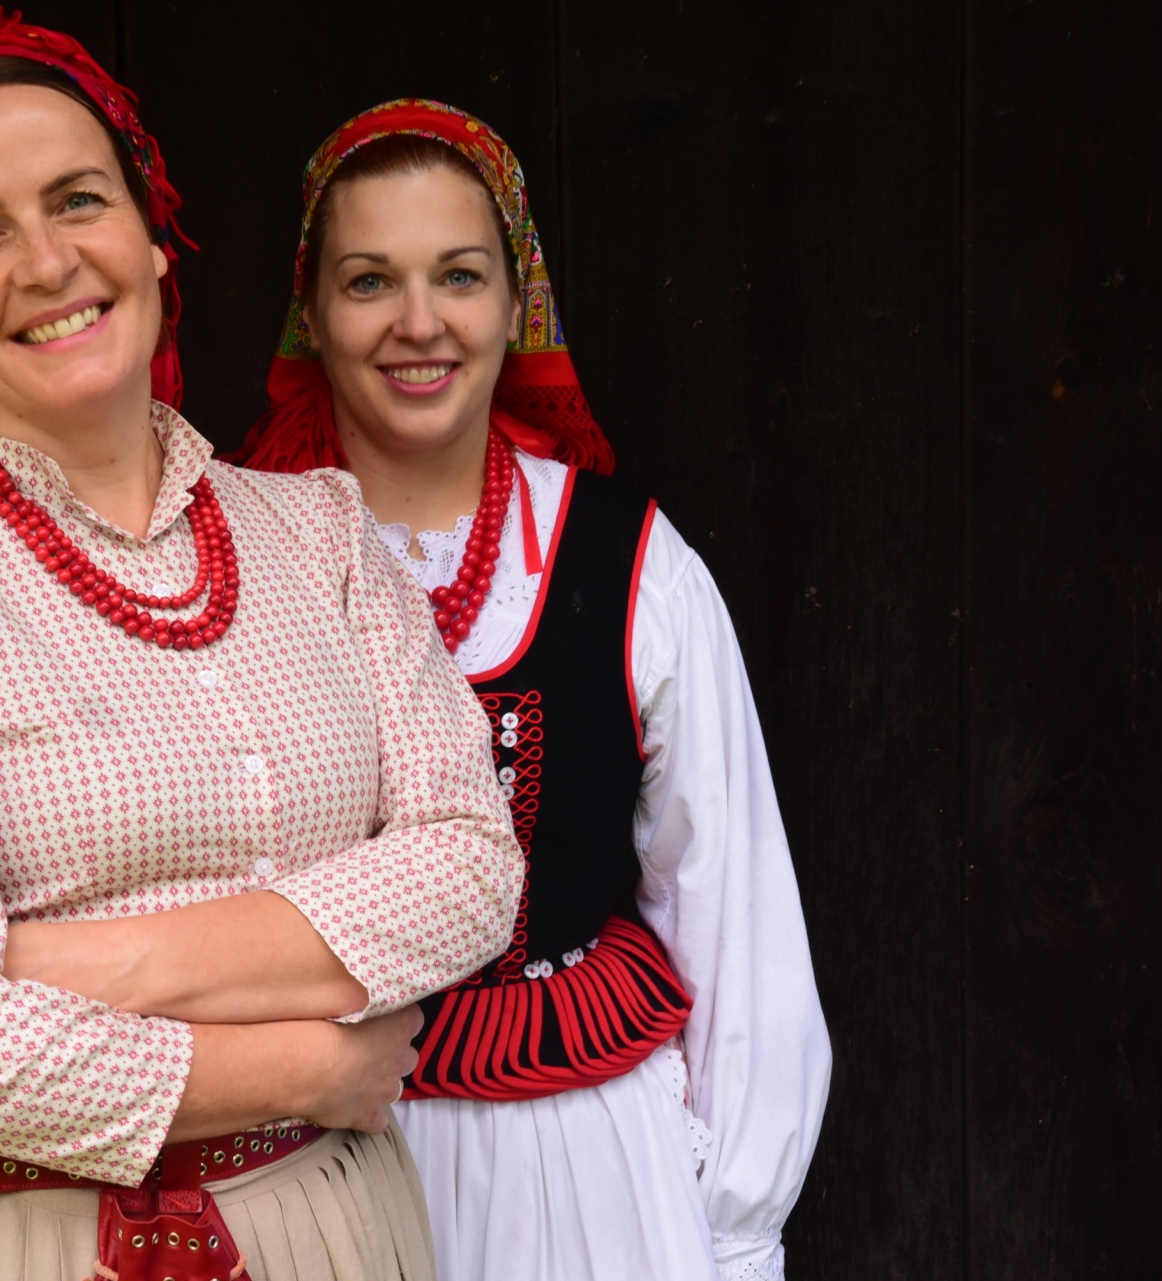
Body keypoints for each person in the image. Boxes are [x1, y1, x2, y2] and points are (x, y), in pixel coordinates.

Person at [0, 20, 523, 1281]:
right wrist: (298, 1066)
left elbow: (469, 869)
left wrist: (69, 962)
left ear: (153, 238)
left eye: (78, 200)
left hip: (318, 1226)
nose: (47, 261)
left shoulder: (322, 533)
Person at [232, 100, 831, 1281]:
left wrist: (735, 1227)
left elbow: (727, 903)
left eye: (459, 275)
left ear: (519, 304)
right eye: (369, 280)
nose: (419, 322)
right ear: (312, 311)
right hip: (300, 1157)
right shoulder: (227, 558)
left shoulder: (630, 563)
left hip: (578, 1166)